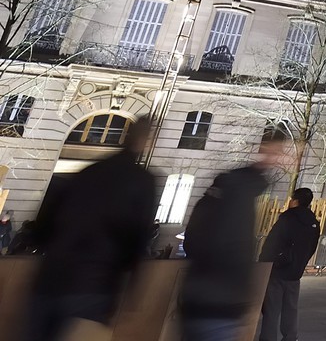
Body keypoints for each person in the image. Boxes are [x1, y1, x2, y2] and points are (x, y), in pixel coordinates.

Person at [28, 115, 158, 341]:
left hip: (52, 276)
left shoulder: (90, 172)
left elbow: (45, 223)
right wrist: (132, 288)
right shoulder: (142, 181)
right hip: (94, 284)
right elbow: (137, 239)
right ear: (146, 141)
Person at [180, 130, 295, 341]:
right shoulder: (239, 197)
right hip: (220, 300)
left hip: (197, 296)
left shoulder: (219, 193)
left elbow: (193, 239)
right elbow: (234, 248)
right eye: (279, 152)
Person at [257, 186, 320, 341]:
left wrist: (264, 261)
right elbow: (312, 246)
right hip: (295, 271)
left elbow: (272, 242)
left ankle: (268, 338)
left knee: (272, 309)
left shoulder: (288, 217)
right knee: (290, 308)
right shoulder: (313, 222)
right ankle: (291, 337)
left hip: (277, 269)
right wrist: (301, 262)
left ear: (295, 201)